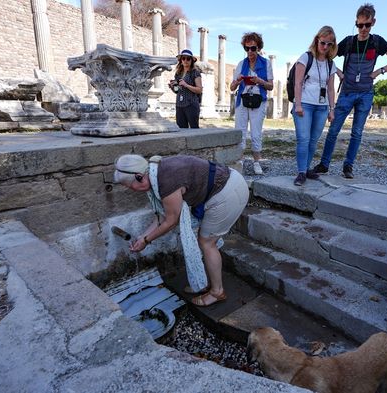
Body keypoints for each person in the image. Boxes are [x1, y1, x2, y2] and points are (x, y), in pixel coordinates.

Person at [113, 154, 249, 307]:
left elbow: (171, 221)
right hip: (227, 182)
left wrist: (146, 241)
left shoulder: (165, 182)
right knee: (205, 240)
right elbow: (161, 216)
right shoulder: (155, 169)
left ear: (139, 177)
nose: (132, 190)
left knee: (207, 242)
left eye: (130, 186)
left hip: (229, 192)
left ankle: (217, 292)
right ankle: (202, 283)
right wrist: (142, 237)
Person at [312, 3, 387, 179]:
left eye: (367, 25)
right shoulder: (348, 42)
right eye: (359, 25)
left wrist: (379, 71)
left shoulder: (377, 42)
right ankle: (324, 164)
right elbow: (327, 54)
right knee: (333, 130)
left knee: (357, 132)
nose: (363, 29)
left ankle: (348, 166)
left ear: (373, 22)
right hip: (346, 92)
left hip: (366, 93)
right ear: (356, 23)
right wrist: (338, 73)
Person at [291, 26, 338, 186]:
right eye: (323, 42)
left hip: (322, 107)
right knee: (303, 140)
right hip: (304, 104)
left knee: (313, 140)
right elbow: (297, 83)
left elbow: (331, 88)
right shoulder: (306, 57)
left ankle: (306, 168)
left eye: (329, 44)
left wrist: (332, 109)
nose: (325, 47)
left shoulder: (331, 64)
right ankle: (301, 172)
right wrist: (297, 104)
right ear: (317, 40)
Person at [230, 32, 274, 176]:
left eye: (253, 48)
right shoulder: (241, 64)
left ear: (258, 48)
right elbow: (232, 87)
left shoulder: (266, 63)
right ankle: (240, 161)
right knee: (240, 131)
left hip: (258, 100)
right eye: (247, 48)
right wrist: (238, 80)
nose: (250, 52)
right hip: (242, 100)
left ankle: (257, 162)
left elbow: (270, 86)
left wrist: (259, 81)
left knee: (256, 133)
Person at [169, 49, 202, 129]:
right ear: (181, 60)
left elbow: (199, 90)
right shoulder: (178, 73)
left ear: (192, 61)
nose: (185, 60)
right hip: (179, 105)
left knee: (194, 129)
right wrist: (173, 87)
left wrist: (186, 85)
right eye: (183, 58)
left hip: (191, 105)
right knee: (181, 130)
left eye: (188, 58)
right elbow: (178, 91)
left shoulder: (195, 72)